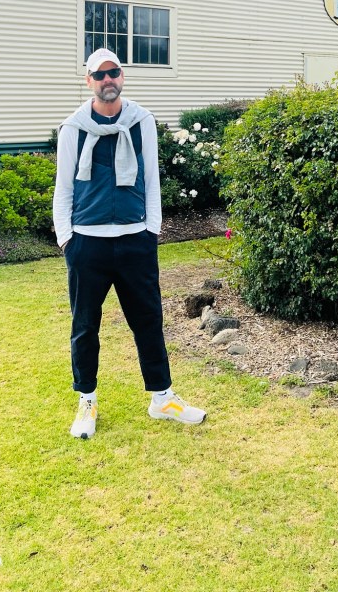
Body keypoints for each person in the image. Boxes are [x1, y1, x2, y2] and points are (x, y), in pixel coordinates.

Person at [52, 48, 206, 438]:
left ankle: (162, 398)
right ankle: (87, 401)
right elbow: (64, 188)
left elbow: (151, 179)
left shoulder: (142, 121)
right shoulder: (73, 128)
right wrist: (67, 239)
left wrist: (151, 230)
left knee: (148, 322)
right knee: (85, 326)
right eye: (99, 74)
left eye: (114, 72)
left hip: (136, 240)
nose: (108, 79)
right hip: (87, 243)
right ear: (88, 81)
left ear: (122, 76)